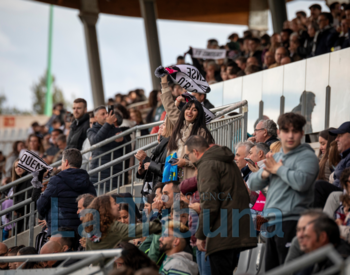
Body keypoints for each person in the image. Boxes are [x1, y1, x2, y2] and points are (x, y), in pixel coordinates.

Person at [249, 112, 319, 271]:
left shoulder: (308, 156)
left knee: (289, 271)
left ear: (302, 133)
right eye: (286, 130)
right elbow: (252, 183)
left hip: (294, 222)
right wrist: (265, 173)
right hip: (272, 223)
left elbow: (302, 183)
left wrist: (279, 169)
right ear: (279, 132)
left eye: (295, 131)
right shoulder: (275, 156)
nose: (291, 135)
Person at [185, 135, 257, 275]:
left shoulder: (207, 164)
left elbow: (209, 204)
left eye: (188, 155)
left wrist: (200, 235)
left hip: (222, 232)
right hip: (234, 229)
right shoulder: (226, 161)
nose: (189, 159)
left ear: (195, 151)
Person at [160, 75, 215, 181]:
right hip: (173, 177)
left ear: (198, 114)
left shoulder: (202, 132)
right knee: (174, 198)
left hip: (191, 179)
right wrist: (163, 80)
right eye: (188, 108)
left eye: (194, 110)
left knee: (185, 198)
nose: (189, 112)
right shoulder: (179, 124)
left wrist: (186, 163)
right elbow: (168, 105)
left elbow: (206, 159)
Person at [36, 148, 97, 236]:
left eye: (62, 162)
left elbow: (42, 204)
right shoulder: (88, 182)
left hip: (60, 232)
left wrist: (45, 216)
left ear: (66, 162)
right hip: (81, 231)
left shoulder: (56, 180)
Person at [83, 195, 162, 251]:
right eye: (114, 203)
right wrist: (155, 213)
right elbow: (150, 228)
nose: (118, 205)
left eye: (125, 217)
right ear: (107, 208)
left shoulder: (92, 228)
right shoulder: (114, 228)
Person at [87, 106, 125, 193]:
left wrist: (122, 141)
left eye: (106, 113)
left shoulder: (116, 129)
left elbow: (126, 149)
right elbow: (95, 141)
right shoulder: (91, 131)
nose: (106, 115)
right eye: (103, 114)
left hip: (115, 174)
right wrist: (107, 124)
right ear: (96, 118)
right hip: (99, 176)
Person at [313, 122, 350, 208]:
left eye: (339, 136)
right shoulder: (344, 156)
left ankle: (317, 220)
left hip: (342, 193)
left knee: (319, 186)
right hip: (336, 192)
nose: (336, 139)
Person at [136, 118, 173, 197]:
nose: (160, 127)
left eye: (164, 124)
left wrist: (147, 160)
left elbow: (169, 172)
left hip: (161, 193)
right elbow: (154, 170)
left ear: (171, 127)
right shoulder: (159, 148)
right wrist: (142, 172)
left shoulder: (172, 147)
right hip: (150, 192)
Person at [12, 160, 32, 233]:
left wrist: (16, 207)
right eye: (16, 167)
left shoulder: (29, 178)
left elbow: (29, 197)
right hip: (21, 215)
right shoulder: (17, 183)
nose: (18, 168)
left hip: (28, 213)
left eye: (20, 166)